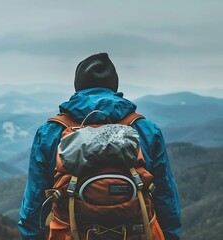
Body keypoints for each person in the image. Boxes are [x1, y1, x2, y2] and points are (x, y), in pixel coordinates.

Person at [18, 53, 181, 239]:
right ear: (114, 87)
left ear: (77, 86)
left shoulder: (50, 132)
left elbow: (34, 204)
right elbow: (166, 198)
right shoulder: (145, 129)